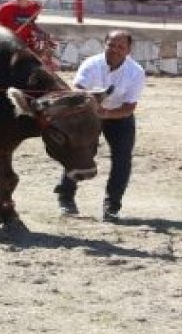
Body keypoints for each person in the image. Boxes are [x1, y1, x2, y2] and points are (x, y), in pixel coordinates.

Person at [54, 31, 145, 222]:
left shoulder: (136, 72)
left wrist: (108, 113)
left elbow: (129, 107)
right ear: (105, 44)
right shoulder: (91, 64)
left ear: (128, 50)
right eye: (111, 45)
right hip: (89, 113)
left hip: (119, 115)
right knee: (80, 152)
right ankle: (66, 197)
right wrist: (93, 106)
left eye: (121, 47)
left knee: (122, 159)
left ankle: (112, 206)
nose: (115, 50)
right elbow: (78, 91)